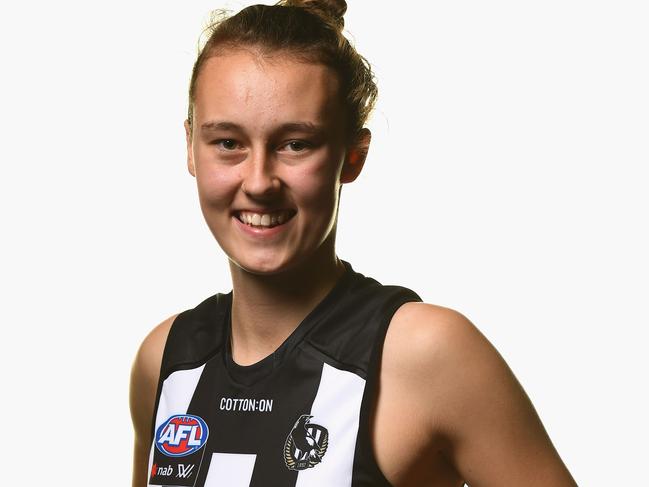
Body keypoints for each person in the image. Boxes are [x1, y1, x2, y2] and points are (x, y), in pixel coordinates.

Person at [129, 1, 578, 486]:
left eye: (295, 143)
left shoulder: (426, 353)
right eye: (228, 142)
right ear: (190, 146)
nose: (259, 181)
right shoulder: (165, 359)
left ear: (352, 157)